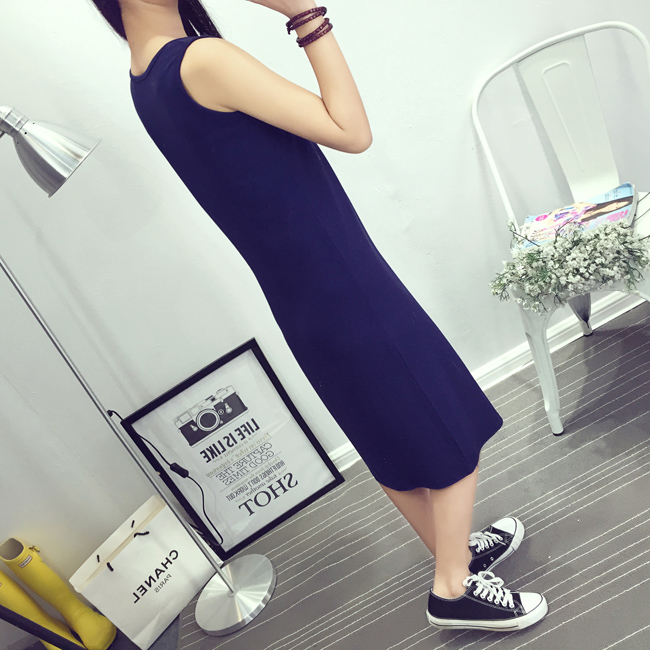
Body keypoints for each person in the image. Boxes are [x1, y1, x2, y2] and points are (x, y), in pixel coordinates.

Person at [89, 0, 548, 632]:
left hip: (302, 296)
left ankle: (454, 556)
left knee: (387, 435)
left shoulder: (144, 78)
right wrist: (306, 14)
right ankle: (452, 587)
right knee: (444, 420)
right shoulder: (201, 60)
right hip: (343, 282)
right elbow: (351, 131)